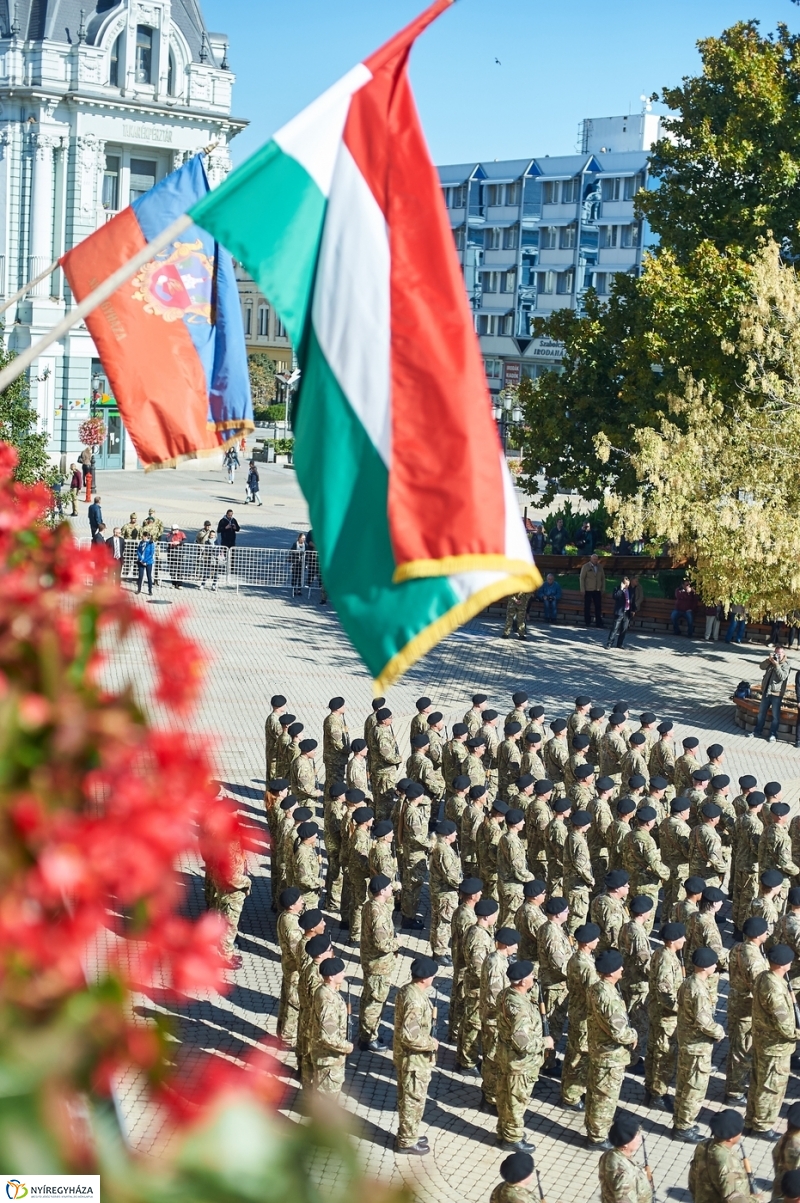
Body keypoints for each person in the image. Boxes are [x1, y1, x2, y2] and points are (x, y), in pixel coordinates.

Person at [744, 943, 800, 1140]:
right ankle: (762, 1126)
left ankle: (750, 1121)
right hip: (775, 1047)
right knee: (771, 1087)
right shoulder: (775, 989)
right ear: (784, 964)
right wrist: (797, 1034)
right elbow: (784, 1024)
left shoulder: (764, 977)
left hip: (762, 1041)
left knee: (758, 1082)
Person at [585, 948, 638, 1148]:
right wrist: (633, 1035)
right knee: (605, 1097)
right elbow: (619, 1031)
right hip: (610, 1055)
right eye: (619, 967)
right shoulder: (609, 997)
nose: (622, 969)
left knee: (595, 1092)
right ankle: (598, 1137)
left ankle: (593, 1128)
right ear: (612, 971)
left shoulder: (596, 988)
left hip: (599, 1049)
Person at [673, 947, 725, 1142]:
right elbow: (704, 1021)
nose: (715, 966)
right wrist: (719, 1032)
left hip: (687, 1041)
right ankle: (684, 1127)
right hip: (697, 1046)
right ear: (705, 967)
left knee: (684, 1084)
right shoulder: (699, 990)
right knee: (694, 1088)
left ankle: (680, 1120)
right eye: (713, 964)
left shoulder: (688, 982)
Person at [394, 957, 438, 1154]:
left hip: (409, 1058)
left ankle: (409, 1134)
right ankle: (406, 1141)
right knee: (413, 1100)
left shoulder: (407, 990)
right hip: (413, 1060)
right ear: (425, 978)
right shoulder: (415, 1001)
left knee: (410, 1098)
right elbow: (410, 1036)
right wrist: (431, 1043)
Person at [688, 1108, 760, 1203]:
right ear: (730, 1138)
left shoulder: (703, 1145)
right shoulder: (730, 1164)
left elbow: (693, 1178)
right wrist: (756, 1200)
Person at [309, 956, 352, 1097]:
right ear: (332, 977)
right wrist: (347, 1047)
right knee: (326, 1099)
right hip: (328, 1058)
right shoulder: (328, 1000)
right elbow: (329, 1036)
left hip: (330, 1057)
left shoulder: (325, 991)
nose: (344, 974)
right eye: (341, 972)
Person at [598, 1112, 653, 1203]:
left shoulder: (609, 1154)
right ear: (625, 1144)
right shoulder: (624, 1175)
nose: (640, 1139)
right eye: (636, 1136)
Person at [749, 646, 791, 743]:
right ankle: (757, 731)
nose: (777, 656)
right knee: (761, 713)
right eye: (776, 653)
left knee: (775, 716)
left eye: (779, 654)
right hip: (766, 691)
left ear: (783, 654)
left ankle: (773, 734)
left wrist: (776, 665)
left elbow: (782, 677)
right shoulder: (771, 661)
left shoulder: (786, 664)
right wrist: (768, 660)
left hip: (777, 693)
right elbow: (761, 666)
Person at [579, 554, 606, 629]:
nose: (595, 561)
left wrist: (603, 588)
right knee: (587, 606)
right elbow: (582, 578)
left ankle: (599, 622)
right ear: (591, 559)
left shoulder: (600, 567)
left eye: (596, 559)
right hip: (588, 589)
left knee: (598, 607)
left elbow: (603, 578)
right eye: (594, 559)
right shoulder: (586, 566)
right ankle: (587, 622)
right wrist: (582, 589)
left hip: (597, 590)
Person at [605, 576, 631, 650]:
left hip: (627, 612)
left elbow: (632, 599)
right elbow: (615, 596)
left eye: (628, 584)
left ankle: (620, 644)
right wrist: (621, 589)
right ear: (622, 583)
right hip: (619, 612)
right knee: (615, 628)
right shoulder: (617, 589)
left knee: (624, 629)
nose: (627, 586)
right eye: (626, 584)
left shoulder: (630, 590)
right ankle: (609, 643)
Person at [196, 521, 220, 590]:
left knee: (215, 572)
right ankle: (203, 584)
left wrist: (216, 553)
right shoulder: (206, 540)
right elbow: (198, 539)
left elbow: (219, 548)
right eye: (211, 535)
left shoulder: (216, 541)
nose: (212, 536)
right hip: (208, 558)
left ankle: (214, 585)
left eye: (213, 535)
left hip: (215, 559)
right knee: (206, 571)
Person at [166, 524, 186, 589]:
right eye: (173, 529)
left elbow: (185, 540)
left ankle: (179, 584)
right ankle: (173, 583)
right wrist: (172, 534)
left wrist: (179, 542)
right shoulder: (169, 534)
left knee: (179, 569)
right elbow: (167, 540)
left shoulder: (181, 533)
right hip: (171, 553)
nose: (174, 531)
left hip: (179, 553)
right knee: (172, 569)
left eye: (175, 529)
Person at [290, 531, 306, 597]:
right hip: (295, 563)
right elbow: (291, 551)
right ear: (299, 538)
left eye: (304, 538)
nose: (303, 540)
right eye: (302, 538)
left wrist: (306, 564)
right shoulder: (295, 544)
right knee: (294, 576)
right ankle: (293, 590)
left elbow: (308, 553)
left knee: (300, 577)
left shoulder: (305, 545)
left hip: (302, 563)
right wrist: (297, 553)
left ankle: (299, 590)